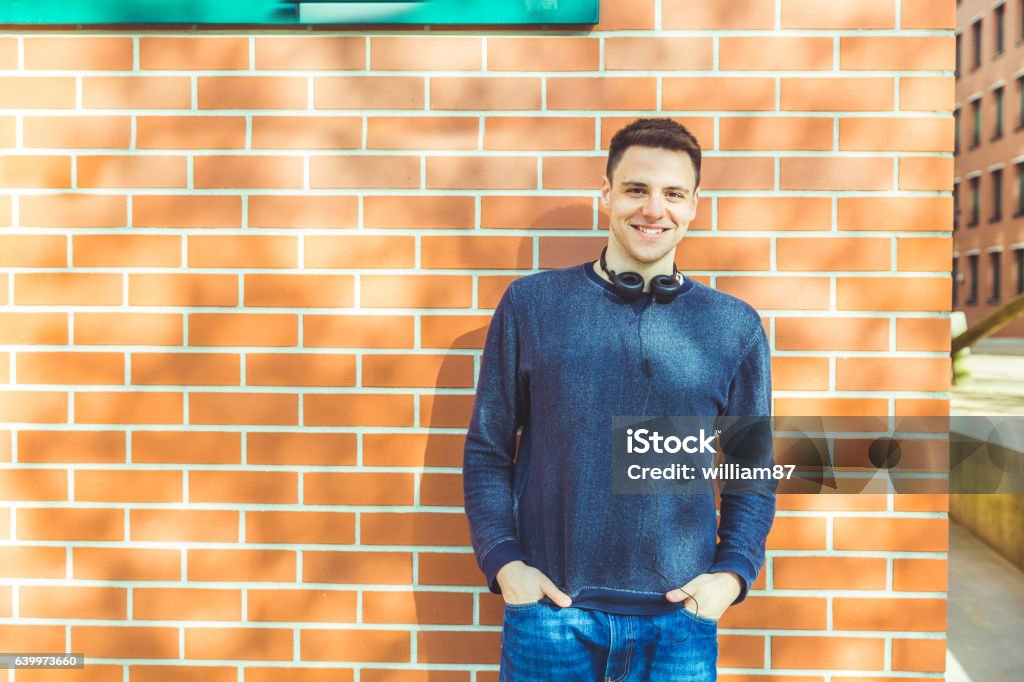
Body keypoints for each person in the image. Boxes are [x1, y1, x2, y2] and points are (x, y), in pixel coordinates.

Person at [462, 118, 775, 681]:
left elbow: (752, 467)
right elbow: (487, 449)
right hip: (552, 620)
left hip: (680, 626)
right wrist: (505, 565)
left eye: (673, 194)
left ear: (694, 205)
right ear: (605, 194)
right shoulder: (532, 306)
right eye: (636, 189)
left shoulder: (734, 328)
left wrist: (730, 577)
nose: (654, 209)